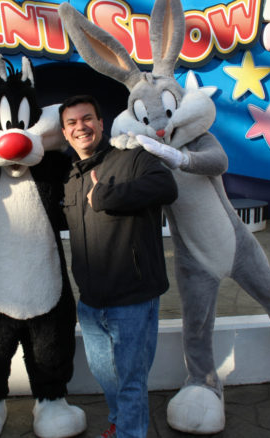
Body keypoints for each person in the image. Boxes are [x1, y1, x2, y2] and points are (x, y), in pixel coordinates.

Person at [59, 95, 178, 438]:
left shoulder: (133, 158)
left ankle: (129, 431)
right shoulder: (70, 177)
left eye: (87, 119)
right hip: (91, 302)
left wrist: (107, 197)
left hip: (134, 299)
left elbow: (166, 186)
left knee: (130, 381)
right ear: (65, 133)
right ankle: (120, 422)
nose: (80, 127)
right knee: (106, 375)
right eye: (72, 123)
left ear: (100, 123)